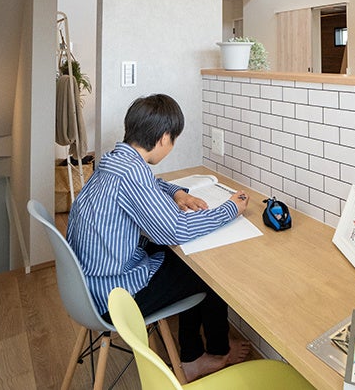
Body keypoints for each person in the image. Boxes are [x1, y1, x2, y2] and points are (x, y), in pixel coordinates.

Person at [67, 93, 250, 381]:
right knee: (207, 272)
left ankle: (199, 350)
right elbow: (176, 230)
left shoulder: (115, 161)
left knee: (183, 260)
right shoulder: (131, 175)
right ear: (165, 138)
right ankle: (207, 354)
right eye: (173, 140)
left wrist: (176, 192)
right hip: (113, 297)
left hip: (87, 284)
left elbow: (151, 183)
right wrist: (231, 209)